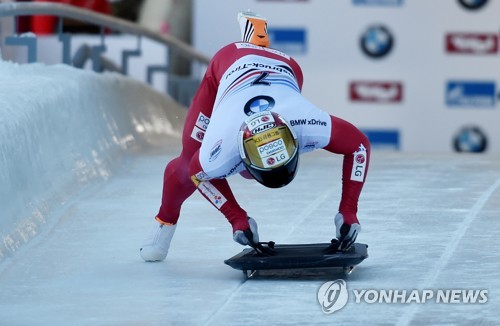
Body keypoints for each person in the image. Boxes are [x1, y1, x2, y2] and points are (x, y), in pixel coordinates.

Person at [140, 11, 371, 262]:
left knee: (196, 166)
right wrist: (235, 216)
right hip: (229, 65)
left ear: (297, 141)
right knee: (186, 162)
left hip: (282, 68)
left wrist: (349, 211)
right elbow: (195, 173)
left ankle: (255, 39)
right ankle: (164, 223)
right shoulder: (222, 148)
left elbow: (359, 146)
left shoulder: (307, 122)